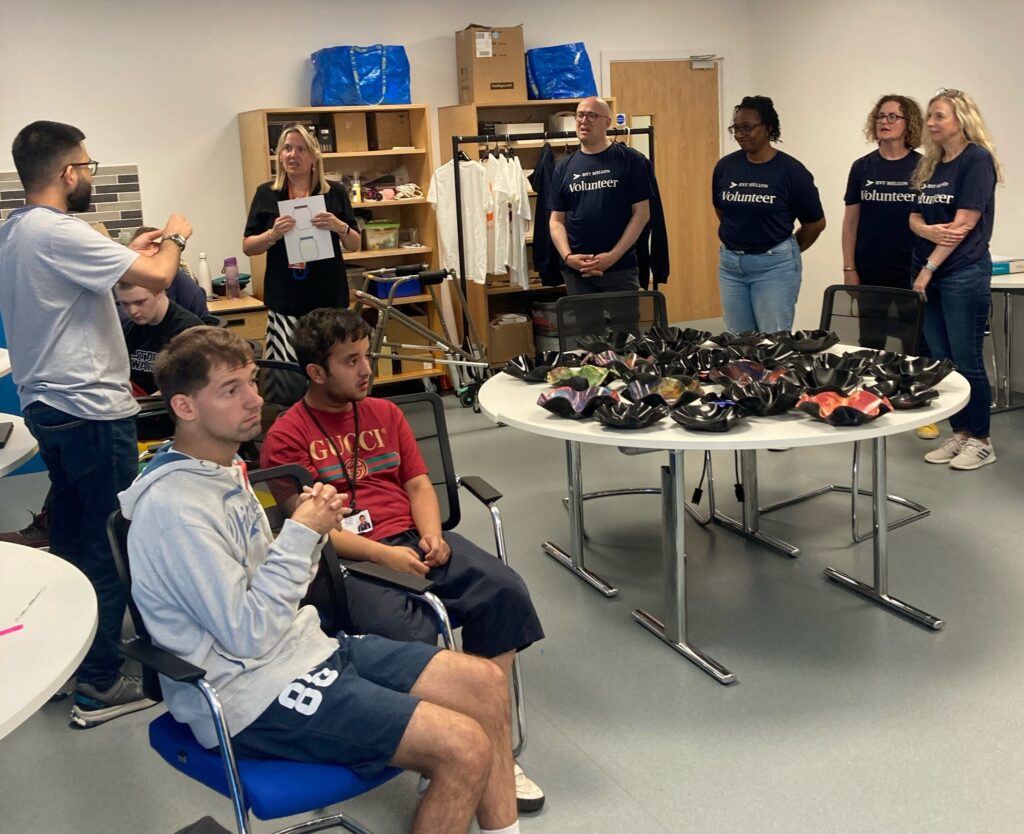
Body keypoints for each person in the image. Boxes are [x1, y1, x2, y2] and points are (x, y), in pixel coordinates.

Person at [121, 327, 520, 834]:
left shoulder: (224, 470)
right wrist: (300, 535)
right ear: (184, 406)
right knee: (464, 747)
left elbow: (275, 586)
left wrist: (311, 536)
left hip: (303, 650)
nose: (254, 399)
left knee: (485, 683)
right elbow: (246, 634)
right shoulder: (176, 511)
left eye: (251, 382)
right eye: (231, 389)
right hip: (249, 693)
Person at [260, 307, 547, 813]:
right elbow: (313, 531)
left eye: (366, 355)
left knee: (504, 591)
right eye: (351, 361)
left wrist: (432, 537)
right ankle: (450, 753)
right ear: (316, 373)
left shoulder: (386, 414)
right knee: (410, 636)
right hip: (348, 561)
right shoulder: (285, 438)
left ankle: (488, 747)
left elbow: (417, 483)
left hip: (414, 539)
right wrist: (387, 557)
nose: (367, 369)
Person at [0, 120, 192, 727]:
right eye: (86, 163)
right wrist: (177, 239)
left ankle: (76, 662)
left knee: (74, 542)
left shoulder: (15, 232)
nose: (90, 171)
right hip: (90, 411)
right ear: (67, 173)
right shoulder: (60, 230)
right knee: (106, 547)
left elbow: (102, 276)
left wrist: (135, 251)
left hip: (51, 409)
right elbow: (160, 278)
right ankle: (102, 683)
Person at [910, 89, 1001, 471]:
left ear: (961, 119)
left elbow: (963, 225)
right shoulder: (932, 164)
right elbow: (913, 218)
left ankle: (981, 440)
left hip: (963, 272)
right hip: (932, 273)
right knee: (943, 360)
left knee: (968, 361)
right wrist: (928, 232)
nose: (931, 123)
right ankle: (960, 433)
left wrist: (928, 267)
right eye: (930, 116)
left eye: (939, 116)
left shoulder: (976, 160)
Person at [242, 125, 360, 393]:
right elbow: (248, 247)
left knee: (332, 371)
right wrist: (272, 234)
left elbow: (354, 243)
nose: (292, 154)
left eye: (300, 148)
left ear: (313, 156)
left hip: (329, 298)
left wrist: (338, 226)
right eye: (286, 148)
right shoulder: (267, 194)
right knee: (289, 376)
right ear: (279, 156)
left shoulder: (334, 193)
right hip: (287, 300)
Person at [712, 95, 826, 333]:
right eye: (736, 128)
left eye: (747, 127)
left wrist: (785, 252)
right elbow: (723, 210)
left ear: (768, 128)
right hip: (731, 266)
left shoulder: (791, 171)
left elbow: (815, 224)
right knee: (738, 343)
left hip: (774, 267)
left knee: (772, 344)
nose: (740, 134)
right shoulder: (726, 167)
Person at [841, 94, 924, 349]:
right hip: (870, 270)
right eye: (880, 116)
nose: (884, 122)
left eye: (892, 116)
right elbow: (851, 222)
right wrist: (849, 268)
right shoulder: (862, 167)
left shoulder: (923, 167)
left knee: (912, 341)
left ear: (908, 123)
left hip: (910, 269)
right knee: (870, 341)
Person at [549, 96, 651, 295]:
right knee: (584, 327)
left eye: (591, 115)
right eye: (579, 115)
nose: (583, 121)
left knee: (625, 327)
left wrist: (612, 257)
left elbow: (642, 214)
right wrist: (568, 257)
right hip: (577, 271)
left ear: (607, 122)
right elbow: (556, 220)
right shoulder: (563, 167)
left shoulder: (631, 160)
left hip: (619, 269)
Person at [116, 281, 203, 396]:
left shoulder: (187, 331)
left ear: (159, 292)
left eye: (140, 302)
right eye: (125, 304)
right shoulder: (130, 328)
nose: (133, 311)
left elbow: (189, 385)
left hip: (165, 406)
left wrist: (143, 406)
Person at [124, 225, 210, 321]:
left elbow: (204, 330)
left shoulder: (187, 288)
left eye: (157, 248)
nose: (133, 311)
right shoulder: (119, 287)